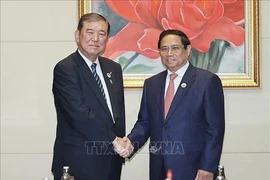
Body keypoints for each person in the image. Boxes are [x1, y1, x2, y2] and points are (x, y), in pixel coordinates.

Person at [124, 29, 225, 180]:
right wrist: (130, 143)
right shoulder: (151, 84)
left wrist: (207, 166)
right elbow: (145, 123)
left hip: (194, 169)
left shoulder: (207, 81)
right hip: (159, 167)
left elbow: (215, 129)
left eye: (175, 48)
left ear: (188, 50)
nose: (169, 53)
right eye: (164, 49)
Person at [51, 13, 127, 180]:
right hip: (79, 161)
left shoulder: (113, 68)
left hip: (111, 160)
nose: (95, 38)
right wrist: (114, 141)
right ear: (78, 35)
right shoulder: (66, 69)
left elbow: (117, 113)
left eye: (102, 33)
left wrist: (122, 143)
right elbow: (79, 115)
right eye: (90, 32)